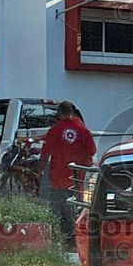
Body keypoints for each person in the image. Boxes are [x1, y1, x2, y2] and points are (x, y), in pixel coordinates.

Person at [38, 101, 96, 246]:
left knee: (59, 211)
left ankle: (62, 240)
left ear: (60, 114)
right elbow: (92, 150)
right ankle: (76, 240)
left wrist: (38, 172)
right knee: (77, 210)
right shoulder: (83, 130)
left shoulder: (55, 130)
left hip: (58, 179)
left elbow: (45, 155)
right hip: (78, 181)